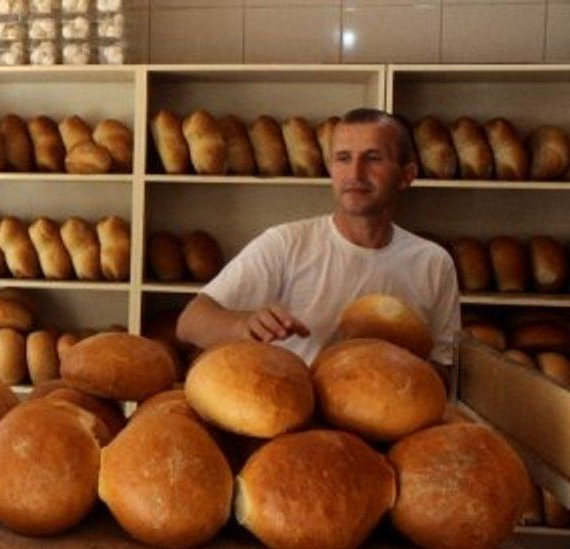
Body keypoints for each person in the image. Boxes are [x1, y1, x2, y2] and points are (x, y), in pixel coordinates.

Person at [176, 108, 461, 367]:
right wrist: (244, 324)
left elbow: (444, 365)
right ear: (331, 170)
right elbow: (190, 322)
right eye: (343, 158)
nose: (355, 173)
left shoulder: (433, 263)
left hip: (393, 416)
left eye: (373, 158)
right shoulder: (286, 243)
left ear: (406, 175)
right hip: (298, 413)